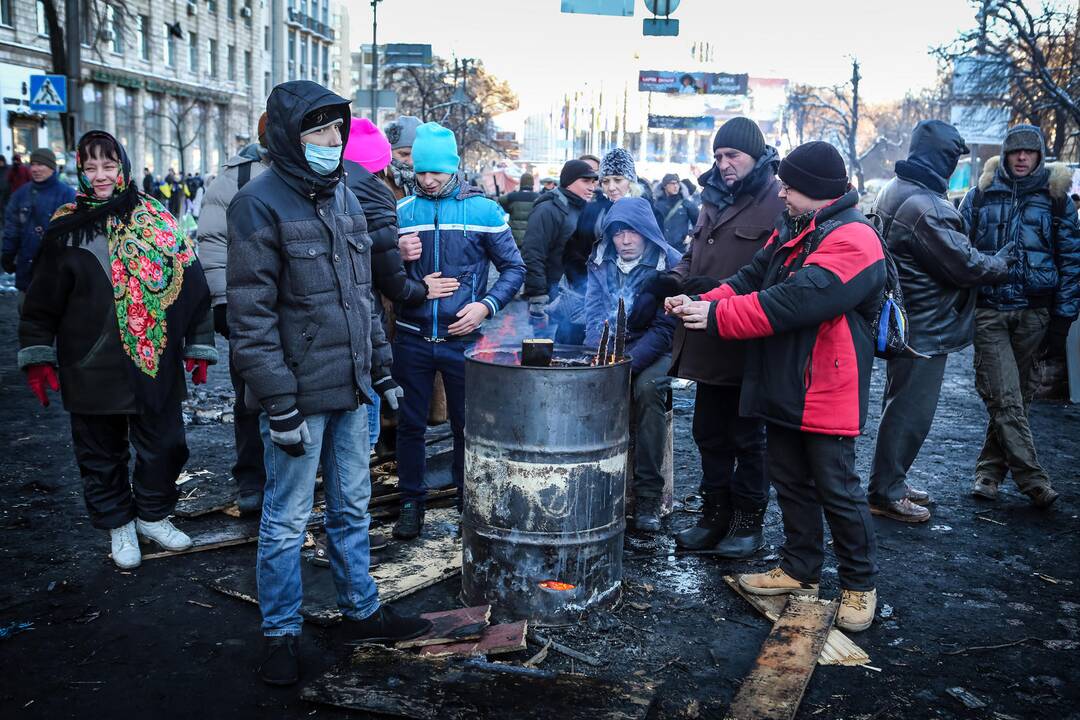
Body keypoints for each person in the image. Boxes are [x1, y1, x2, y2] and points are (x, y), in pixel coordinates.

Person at [227, 81, 432, 687]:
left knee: (352, 507)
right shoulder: (257, 202)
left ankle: (361, 611)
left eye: (336, 130)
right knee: (287, 519)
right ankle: (281, 633)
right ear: (291, 136)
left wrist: (381, 368)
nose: (332, 140)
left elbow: (361, 295)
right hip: (296, 396)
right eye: (319, 131)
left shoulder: (342, 193)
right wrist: (279, 404)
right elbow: (251, 315)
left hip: (350, 389)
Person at [667, 141, 886, 633]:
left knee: (837, 487)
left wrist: (716, 316)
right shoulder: (796, 226)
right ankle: (799, 568)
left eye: (789, 185)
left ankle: (859, 584)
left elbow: (793, 301)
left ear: (815, 190)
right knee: (789, 478)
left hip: (827, 384)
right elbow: (750, 277)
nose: (781, 191)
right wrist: (700, 299)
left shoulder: (855, 238)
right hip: (784, 378)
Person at [17, 130, 216, 570]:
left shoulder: (157, 218)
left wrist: (199, 345)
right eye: (91, 167)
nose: (100, 175)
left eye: (108, 166)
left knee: (166, 446)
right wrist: (36, 352)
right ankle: (119, 525)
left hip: (154, 363)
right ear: (81, 171)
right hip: (89, 365)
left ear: (123, 166)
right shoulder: (65, 227)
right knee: (100, 454)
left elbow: (193, 286)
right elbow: (41, 301)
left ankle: (152, 515)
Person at [639, 117, 783, 556]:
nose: (723, 164)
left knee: (747, 438)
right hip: (705, 336)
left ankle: (747, 522)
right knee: (707, 432)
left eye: (732, 155)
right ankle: (713, 517)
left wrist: (713, 293)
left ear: (755, 156)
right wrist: (675, 280)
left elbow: (777, 274)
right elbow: (693, 253)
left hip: (748, 338)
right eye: (718, 156)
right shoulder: (711, 199)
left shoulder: (777, 201)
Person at [868, 120, 1012, 523]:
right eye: (952, 157)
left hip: (906, 321)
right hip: (924, 327)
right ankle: (887, 491)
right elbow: (964, 264)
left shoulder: (897, 190)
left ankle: (889, 479)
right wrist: (1000, 263)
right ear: (940, 158)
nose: (954, 165)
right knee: (910, 414)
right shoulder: (925, 206)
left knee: (898, 406)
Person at [392, 122, 525, 540]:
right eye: (421, 171)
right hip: (410, 336)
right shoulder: (402, 212)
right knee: (410, 425)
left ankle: (467, 502)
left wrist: (486, 305)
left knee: (466, 426)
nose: (427, 180)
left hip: (463, 339)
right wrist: (396, 253)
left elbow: (515, 268)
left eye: (436, 172)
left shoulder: (483, 210)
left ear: (453, 168)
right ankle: (410, 502)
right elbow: (381, 274)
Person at [959, 124, 1080, 508]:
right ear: (1006, 155)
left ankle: (989, 474)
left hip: (1036, 313)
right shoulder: (980, 195)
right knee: (1005, 395)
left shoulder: (1057, 198)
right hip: (991, 311)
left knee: (1017, 397)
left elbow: (1072, 261)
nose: (1022, 157)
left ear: (1040, 156)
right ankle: (1033, 479)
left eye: (1030, 152)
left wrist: (1062, 321)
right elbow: (958, 248)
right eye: (1016, 152)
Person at [585, 197, 680, 532]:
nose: (624, 241)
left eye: (631, 233)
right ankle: (593, 486)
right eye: (617, 233)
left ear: (647, 233)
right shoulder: (600, 260)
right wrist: (600, 357)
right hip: (612, 345)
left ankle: (648, 498)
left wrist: (626, 365)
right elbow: (595, 313)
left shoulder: (668, 264)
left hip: (655, 349)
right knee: (583, 386)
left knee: (648, 390)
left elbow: (665, 328)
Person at [196, 112, 272, 516]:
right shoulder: (234, 179)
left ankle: (288, 478)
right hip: (247, 309)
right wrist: (223, 303)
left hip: (298, 308)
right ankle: (251, 479)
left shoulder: (314, 171)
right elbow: (211, 241)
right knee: (249, 400)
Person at [521, 159, 597, 336]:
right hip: (551, 297)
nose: (591, 187)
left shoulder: (585, 209)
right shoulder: (547, 209)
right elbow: (532, 254)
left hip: (579, 297)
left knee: (571, 356)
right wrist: (538, 297)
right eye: (585, 181)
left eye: (593, 182)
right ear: (569, 182)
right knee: (545, 353)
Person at [2, 148, 76, 310]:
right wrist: (7, 255)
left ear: (52, 167)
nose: (35, 169)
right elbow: (11, 230)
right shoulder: (20, 195)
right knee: (28, 323)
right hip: (27, 275)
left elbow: (76, 235)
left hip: (58, 276)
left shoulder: (67, 195)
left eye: (41, 164)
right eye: (33, 164)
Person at [654, 173, 699, 251]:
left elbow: (699, 222)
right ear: (665, 186)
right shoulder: (656, 204)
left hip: (680, 248)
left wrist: (691, 235)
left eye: (677, 183)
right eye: (672, 183)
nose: (675, 186)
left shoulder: (686, 204)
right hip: (660, 247)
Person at [382, 115, 422, 200]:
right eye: (404, 154)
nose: (411, 161)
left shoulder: (431, 180)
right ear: (389, 152)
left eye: (417, 155)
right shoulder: (379, 183)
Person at [498, 172, 539, 247]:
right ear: (532, 183)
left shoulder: (513, 196)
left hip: (514, 235)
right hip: (531, 235)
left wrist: (508, 210)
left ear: (521, 183)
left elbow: (500, 200)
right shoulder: (538, 198)